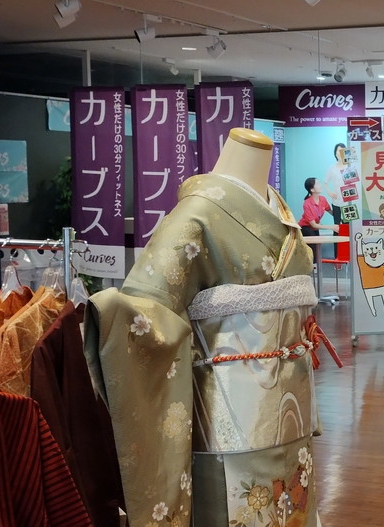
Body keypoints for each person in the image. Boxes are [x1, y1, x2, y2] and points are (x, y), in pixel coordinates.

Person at [85, 128, 326, 526]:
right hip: (232, 414)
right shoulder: (194, 216)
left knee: (293, 504)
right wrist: (109, 316)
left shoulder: (278, 210)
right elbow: (150, 307)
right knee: (240, 506)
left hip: (292, 405)